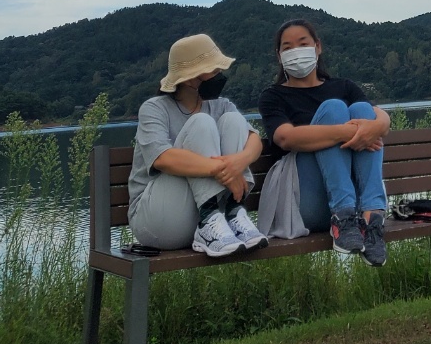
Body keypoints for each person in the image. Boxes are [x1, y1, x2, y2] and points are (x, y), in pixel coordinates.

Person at [258, 19, 391, 265]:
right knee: (333, 109)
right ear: (279, 56)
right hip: (306, 204)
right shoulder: (273, 96)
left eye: (303, 44)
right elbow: (285, 138)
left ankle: (373, 218)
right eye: (287, 47)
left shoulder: (344, 86)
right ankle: (342, 216)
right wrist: (345, 132)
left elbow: (376, 115)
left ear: (317, 47)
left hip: (357, 207)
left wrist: (378, 125)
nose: (296, 51)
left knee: (362, 110)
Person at [128, 33, 267, 257]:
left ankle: (233, 214)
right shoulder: (154, 108)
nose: (220, 75)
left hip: (217, 227)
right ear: (190, 78)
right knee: (201, 122)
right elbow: (163, 159)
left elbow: (254, 141)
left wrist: (238, 162)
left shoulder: (222, 106)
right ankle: (209, 218)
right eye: (214, 70)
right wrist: (223, 170)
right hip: (158, 222)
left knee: (233, 120)